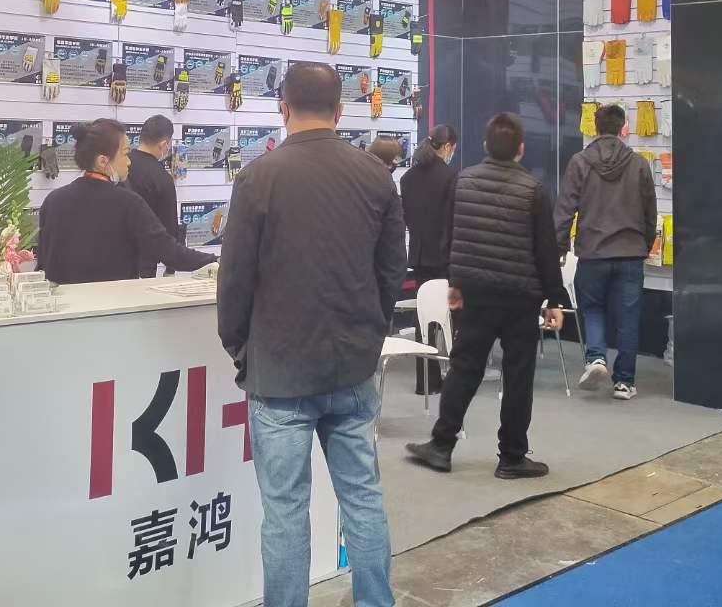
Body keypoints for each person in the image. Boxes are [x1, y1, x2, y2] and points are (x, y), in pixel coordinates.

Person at [218, 62, 406, 607]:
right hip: (351, 366)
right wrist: (370, 333)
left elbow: (236, 279)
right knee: (363, 498)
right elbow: (392, 270)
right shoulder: (376, 175)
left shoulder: (258, 178)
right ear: (340, 110)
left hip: (279, 370)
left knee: (284, 511)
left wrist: (241, 348)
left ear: (283, 109)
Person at [406, 114, 568, 479]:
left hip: (475, 293)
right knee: (518, 375)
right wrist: (555, 299)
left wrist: (454, 283)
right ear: (521, 149)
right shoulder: (533, 190)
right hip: (520, 296)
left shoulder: (462, 181)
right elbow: (546, 250)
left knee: (464, 367)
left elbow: (450, 237)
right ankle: (512, 456)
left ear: (484, 146)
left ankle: (441, 445)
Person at [554, 104, 658, 400]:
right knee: (628, 317)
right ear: (623, 128)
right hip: (630, 252)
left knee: (592, 308)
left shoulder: (579, 162)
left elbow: (565, 208)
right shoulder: (639, 164)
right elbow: (650, 211)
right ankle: (624, 382)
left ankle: (596, 357)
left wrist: (559, 246)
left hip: (593, 252)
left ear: (595, 127)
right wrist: (645, 243)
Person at [37, 119, 215, 284]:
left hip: (62, 304)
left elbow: (44, 263)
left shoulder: (53, 201)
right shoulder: (129, 203)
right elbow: (169, 251)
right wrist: (213, 260)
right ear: (103, 161)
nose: (129, 162)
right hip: (114, 303)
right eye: (125, 154)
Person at [400, 124, 459, 394]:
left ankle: (425, 381)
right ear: (446, 147)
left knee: (423, 318)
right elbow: (453, 220)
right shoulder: (451, 177)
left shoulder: (408, 178)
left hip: (421, 255)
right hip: (447, 255)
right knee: (452, 314)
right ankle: (456, 375)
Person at [127, 115, 181, 277]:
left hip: (113, 255)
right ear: (163, 144)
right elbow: (170, 226)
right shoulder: (162, 178)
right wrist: (170, 268)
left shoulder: (121, 164)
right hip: (145, 261)